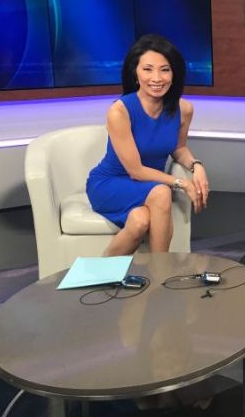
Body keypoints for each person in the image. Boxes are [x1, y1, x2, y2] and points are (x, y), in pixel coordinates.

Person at [86, 33, 209, 256]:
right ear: (135, 72)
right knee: (162, 193)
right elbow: (135, 171)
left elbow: (178, 148)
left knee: (139, 222)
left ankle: (96, 277)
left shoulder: (184, 109)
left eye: (165, 69)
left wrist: (196, 166)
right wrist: (181, 183)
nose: (157, 78)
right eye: (148, 69)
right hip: (109, 184)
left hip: (148, 186)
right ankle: (161, 273)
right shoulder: (120, 110)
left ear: (174, 74)